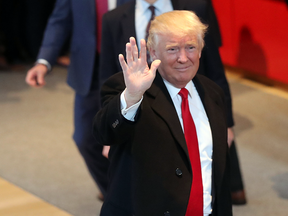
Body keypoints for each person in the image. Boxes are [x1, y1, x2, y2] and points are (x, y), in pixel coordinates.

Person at [99, 0, 246, 205]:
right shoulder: (129, 92)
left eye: (191, 47)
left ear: (201, 49)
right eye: (172, 49)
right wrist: (132, 96)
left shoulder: (213, 95)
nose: (183, 58)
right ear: (153, 53)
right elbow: (105, 131)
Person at [24, 0, 126, 200]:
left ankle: (127, 196)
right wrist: (44, 61)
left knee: (128, 141)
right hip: (88, 67)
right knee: (85, 139)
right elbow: (59, 21)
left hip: (129, 67)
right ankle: (116, 194)